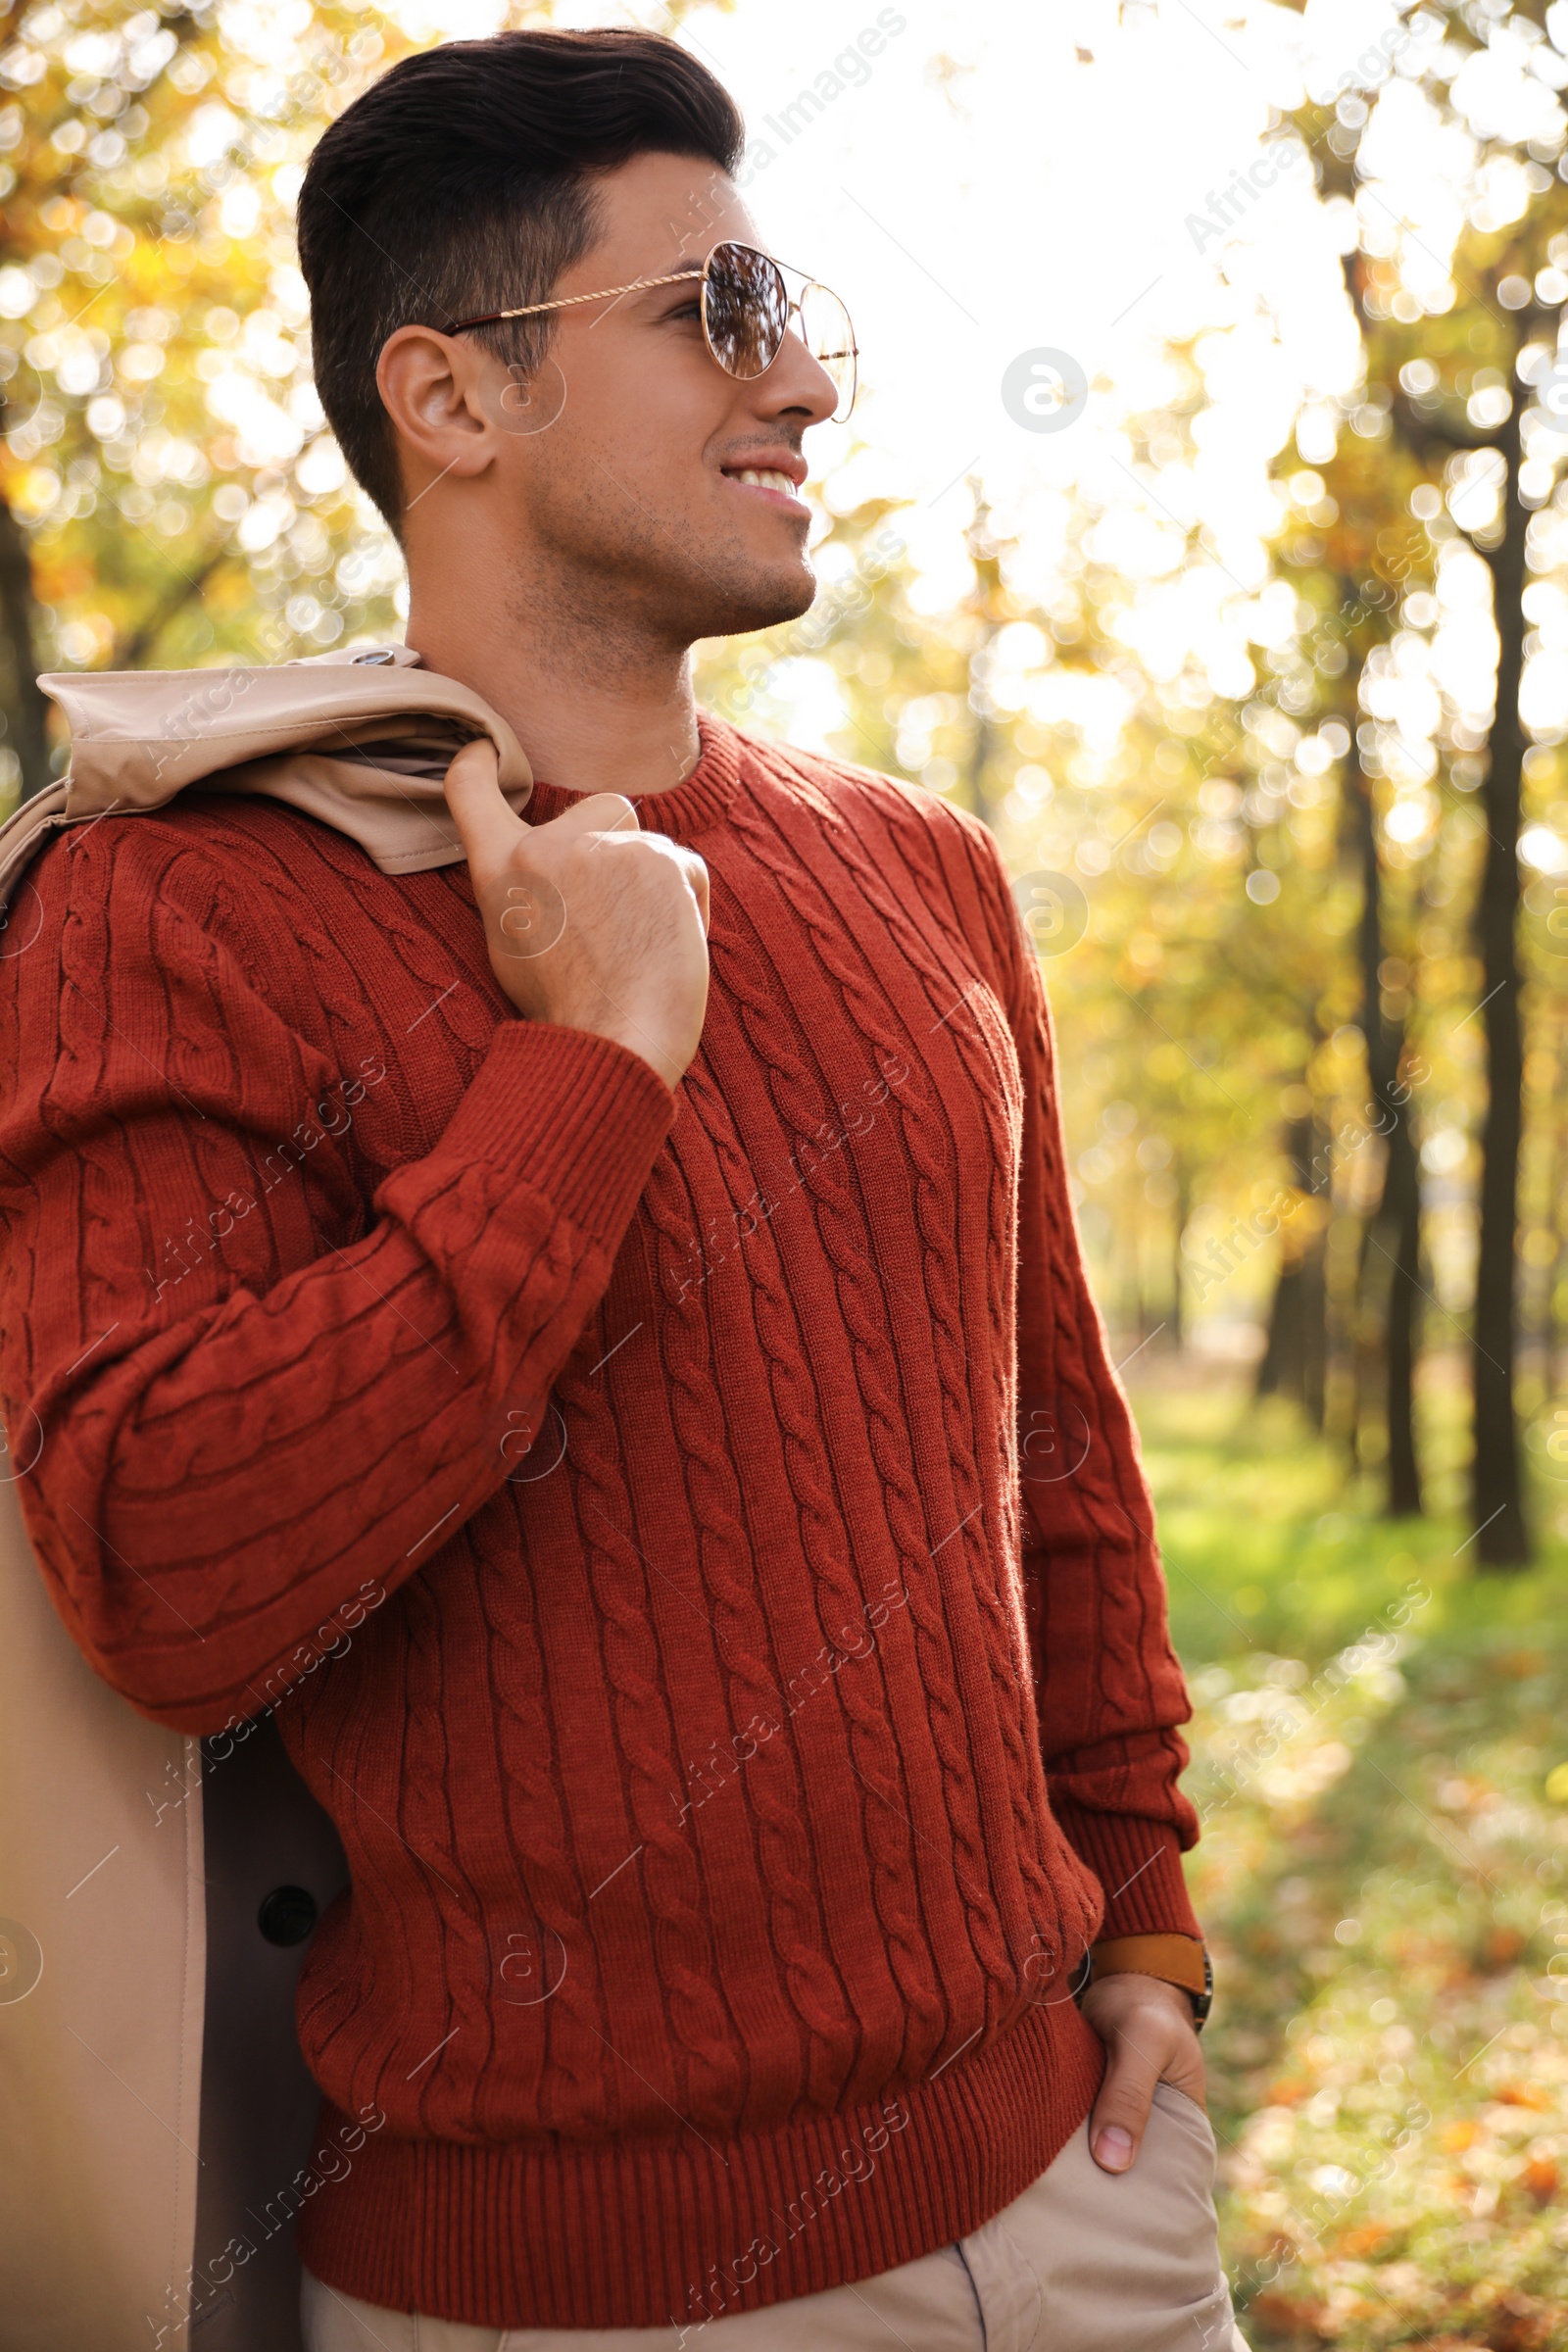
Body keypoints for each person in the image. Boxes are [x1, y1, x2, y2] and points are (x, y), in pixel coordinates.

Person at [0, 25, 1246, 2351]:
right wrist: (584, 1071)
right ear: (450, 400)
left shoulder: (923, 873)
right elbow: (162, 1571)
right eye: (718, 312)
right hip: (565, 2301)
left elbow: (1053, 1456)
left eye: (796, 321)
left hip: (1081, 2201)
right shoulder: (169, 911)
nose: (803, 388)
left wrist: (1143, 1932)